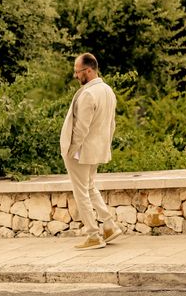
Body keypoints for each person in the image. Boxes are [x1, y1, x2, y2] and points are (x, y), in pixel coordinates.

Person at [60, 52, 121, 250]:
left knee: (81, 192)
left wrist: (70, 150)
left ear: (88, 70)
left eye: (77, 72)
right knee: (90, 187)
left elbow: (81, 129)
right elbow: (112, 124)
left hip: (81, 152)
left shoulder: (88, 93)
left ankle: (93, 235)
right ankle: (109, 225)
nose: (75, 76)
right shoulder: (108, 90)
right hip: (96, 150)